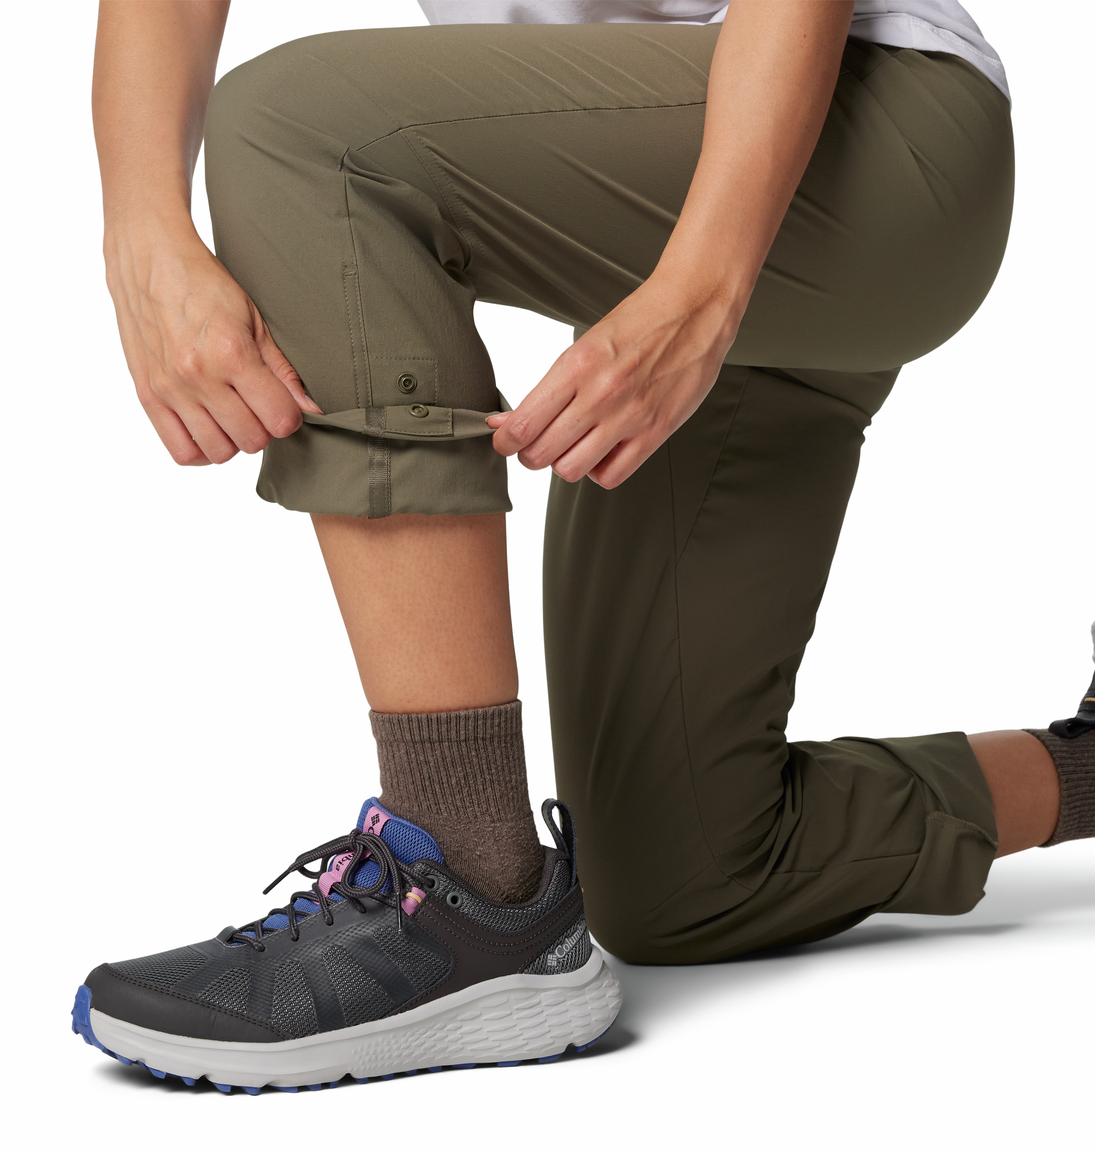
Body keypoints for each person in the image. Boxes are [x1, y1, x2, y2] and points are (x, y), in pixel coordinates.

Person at [73, 0, 1094, 1093]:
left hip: (867, 131)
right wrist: (140, 230)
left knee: (304, 131)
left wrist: (699, 294)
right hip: (692, 185)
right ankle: (1086, 773)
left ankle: (464, 885)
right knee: (683, 870)